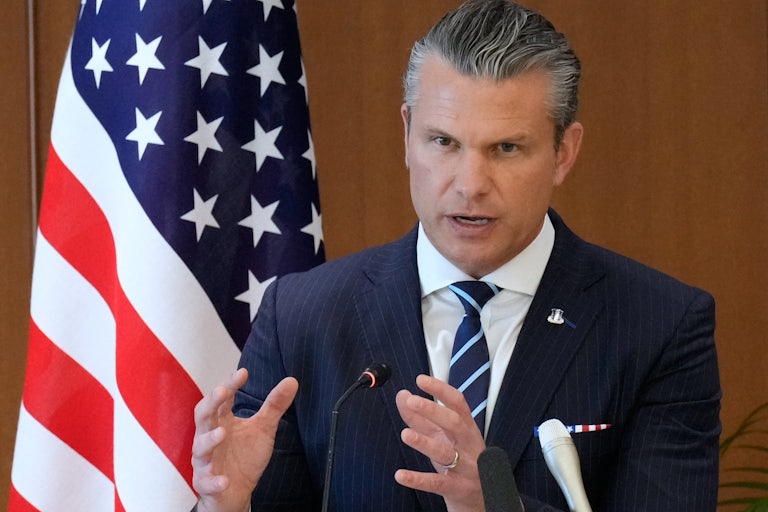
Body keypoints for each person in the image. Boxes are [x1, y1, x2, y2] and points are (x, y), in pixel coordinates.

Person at [191, 1, 721, 510]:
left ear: (564, 152)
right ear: (406, 135)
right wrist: (226, 507)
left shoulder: (659, 327)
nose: (470, 185)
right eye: (444, 142)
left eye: (506, 148)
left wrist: (493, 505)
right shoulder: (301, 317)